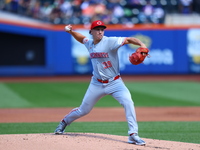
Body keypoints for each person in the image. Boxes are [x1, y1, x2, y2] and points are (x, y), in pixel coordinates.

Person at [54, 20, 146, 146]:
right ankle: (64, 122)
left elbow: (129, 40)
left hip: (115, 83)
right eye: (97, 29)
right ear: (91, 31)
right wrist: (71, 32)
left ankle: (133, 135)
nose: (100, 31)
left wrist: (142, 44)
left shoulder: (110, 41)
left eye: (102, 29)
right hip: (96, 83)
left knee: (128, 102)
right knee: (83, 110)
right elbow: (82, 39)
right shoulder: (90, 43)